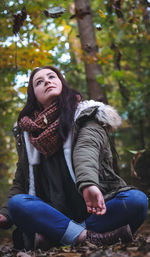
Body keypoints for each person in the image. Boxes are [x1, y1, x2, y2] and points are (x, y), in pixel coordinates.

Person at [0, 66, 148, 250]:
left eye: (51, 76)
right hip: (52, 213)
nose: (47, 81)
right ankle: (90, 237)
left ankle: (59, 237)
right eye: (39, 82)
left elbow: (87, 150)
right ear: (34, 96)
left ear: (61, 82)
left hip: (95, 208)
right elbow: (21, 180)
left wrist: (88, 184)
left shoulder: (86, 114)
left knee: (136, 200)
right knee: (18, 204)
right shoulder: (27, 135)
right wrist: (5, 213)